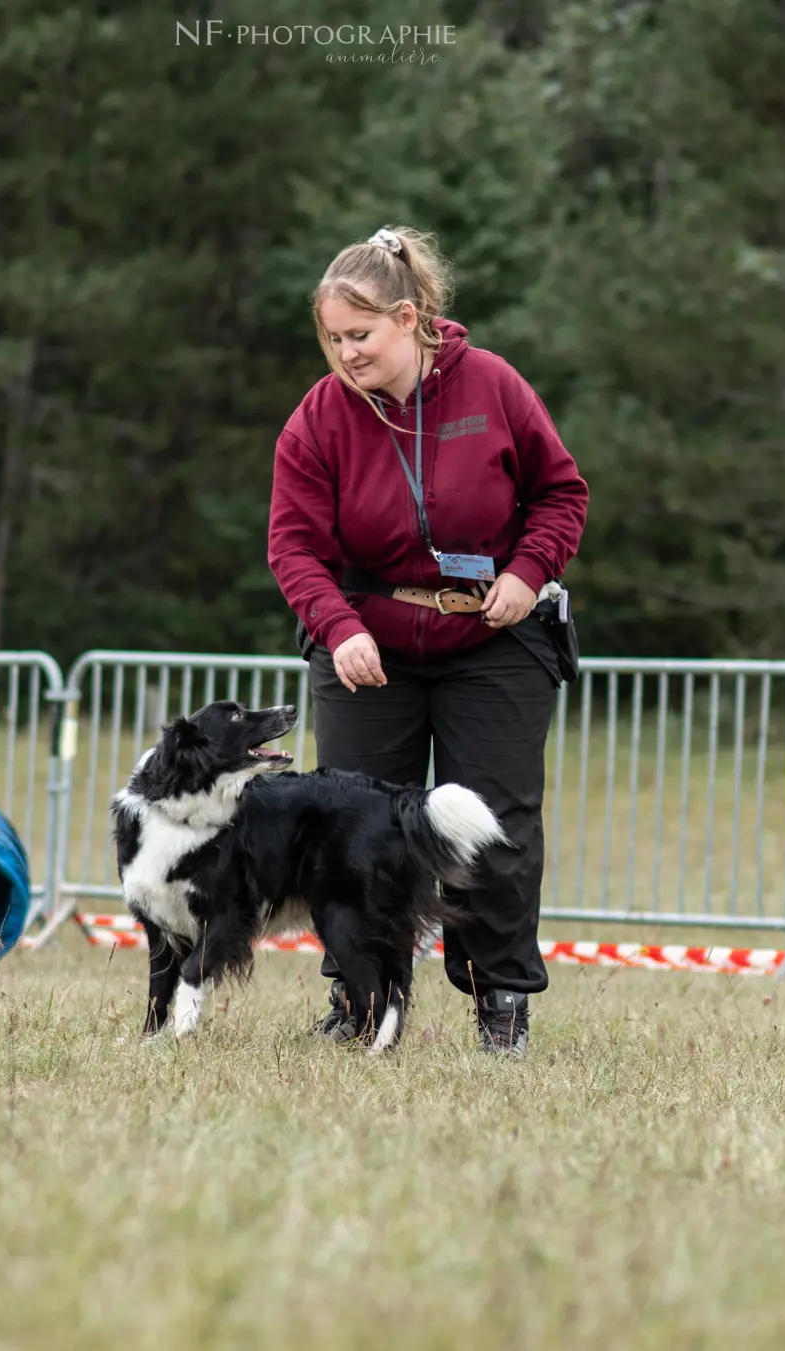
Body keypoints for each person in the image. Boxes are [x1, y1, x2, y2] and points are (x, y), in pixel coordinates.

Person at [267, 225, 587, 1057]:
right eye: (332, 338)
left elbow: (562, 494)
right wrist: (337, 628)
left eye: (361, 335)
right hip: (370, 639)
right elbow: (292, 544)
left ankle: (501, 1001)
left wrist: (527, 571)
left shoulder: (494, 387)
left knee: (492, 823)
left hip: (495, 631)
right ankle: (361, 1001)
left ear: (408, 319)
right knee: (354, 827)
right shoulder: (318, 417)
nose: (345, 353)